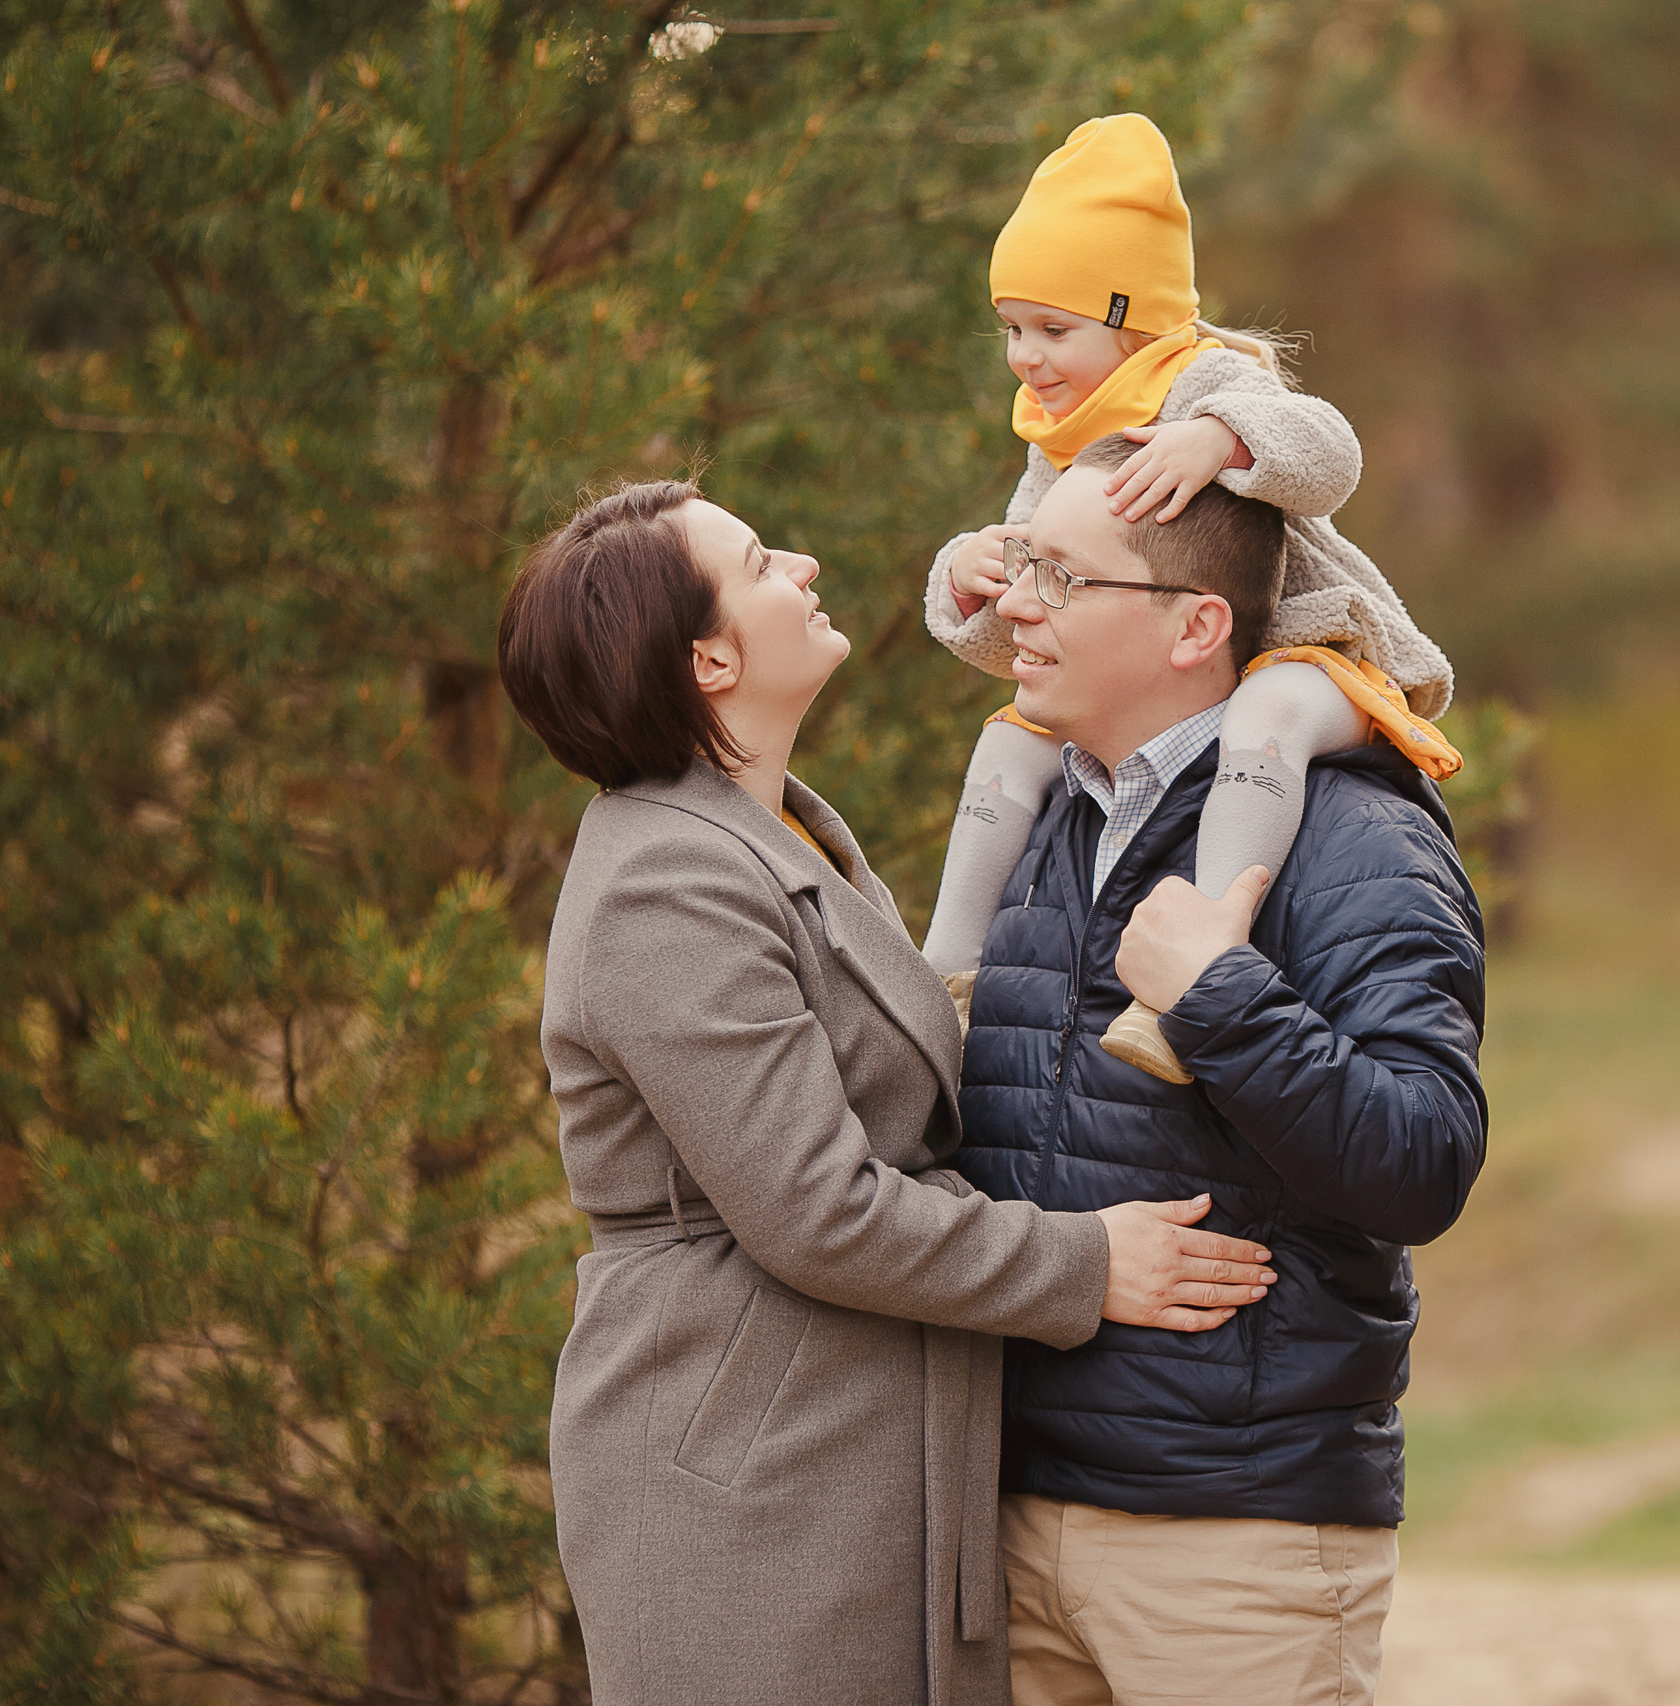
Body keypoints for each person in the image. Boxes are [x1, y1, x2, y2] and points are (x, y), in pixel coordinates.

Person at [497, 480, 1283, 1706]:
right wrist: (1084, 1262)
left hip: (840, 1442)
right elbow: (818, 1208)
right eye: (761, 561)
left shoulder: (772, 829)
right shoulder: (665, 886)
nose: (804, 562)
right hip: (743, 1474)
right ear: (708, 658)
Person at [952, 436, 1489, 1706]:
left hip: (1232, 1539)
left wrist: (1217, 997)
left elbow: (1423, 1158)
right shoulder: (1039, 822)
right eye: (1021, 562)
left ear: (1197, 623)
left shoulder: (1355, 832)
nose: (1015, 602)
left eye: (1063, 578)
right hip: (1009, 1519)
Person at [920, 112, 1463, 1086]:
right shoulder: (1059, 436)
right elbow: (1041, 625)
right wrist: (970, 576)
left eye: (1053, 329)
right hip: (1189, 670)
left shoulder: (1202, 378)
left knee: (1263, 716)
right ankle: (947, 972)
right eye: (1010, 330)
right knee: (1008, 739)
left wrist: (1220, 437)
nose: (1025, 358)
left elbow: (1330, 453)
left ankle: (1208, 959)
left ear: (1133, 319)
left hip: (1316, 652)